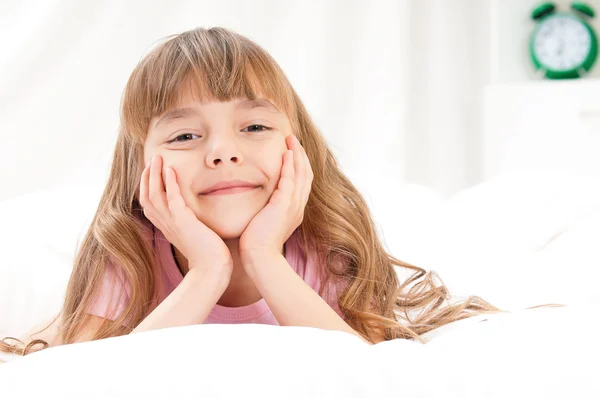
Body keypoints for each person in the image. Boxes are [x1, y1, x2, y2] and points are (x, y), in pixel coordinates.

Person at [0, 26, 505, 356]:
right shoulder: (127, 248)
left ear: (298, 145)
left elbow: (361, 365)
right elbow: (94, 378)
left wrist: (265, 256)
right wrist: (208, 270)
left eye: (255, 127)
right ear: (141, 164)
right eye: (184, 136)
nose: (222, 153)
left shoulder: (328, 240)